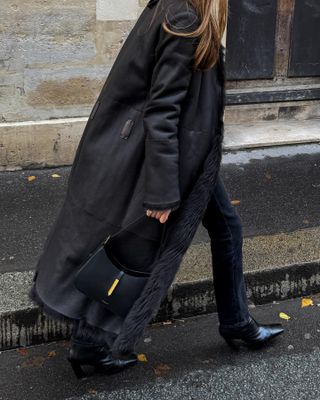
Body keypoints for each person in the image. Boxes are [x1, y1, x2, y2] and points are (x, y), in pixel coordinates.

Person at [29, 0, 284, 380]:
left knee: (224, 228)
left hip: (190, 157)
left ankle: (236, 323)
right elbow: (162, 109)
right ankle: (92, 345)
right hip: (172, 161)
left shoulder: (171, 7)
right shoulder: (183, 17)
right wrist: (162, 191)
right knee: (133, 249)